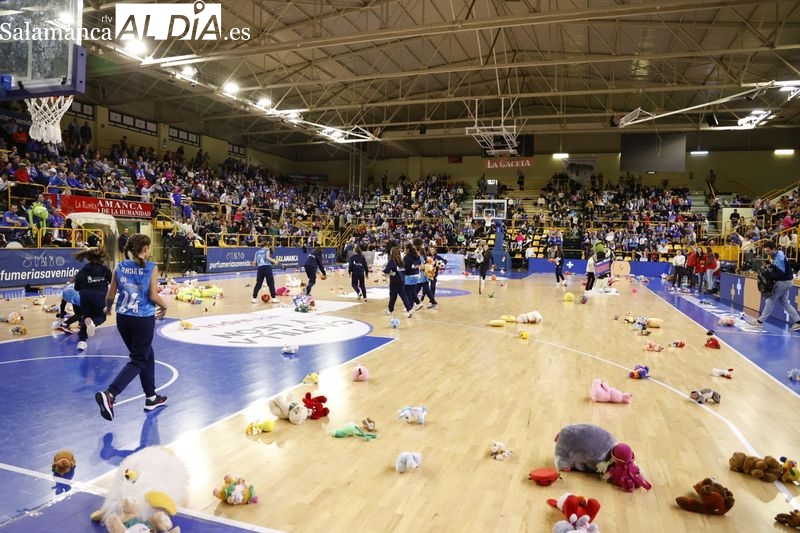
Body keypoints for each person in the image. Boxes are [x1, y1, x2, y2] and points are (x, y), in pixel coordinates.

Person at [95, 234, 169, 422]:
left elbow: (110, 295)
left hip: (123, 319)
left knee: (147, 355)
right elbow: (153, 296)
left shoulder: (120, 266)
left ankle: (151, 397)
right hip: (142, 319)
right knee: (138, 359)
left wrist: (108, 308)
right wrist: (165, 306)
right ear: (145, 249)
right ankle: (110, 393)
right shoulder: (151, 267)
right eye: (149, 247)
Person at [749, 241, 800, 332]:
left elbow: (780, 274)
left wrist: (767, 274)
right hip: (787, 281)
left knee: (770, 300)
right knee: (784, 302)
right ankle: (798, 322)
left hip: (783, 282)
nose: (767, 252)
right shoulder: (778, 253)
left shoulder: (779, 258)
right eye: (765, 251)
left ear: (774, 249)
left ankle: (759, 322)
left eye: (768, 251)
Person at [73, 248, 112, 351]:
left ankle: (82, 341)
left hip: (85, 296)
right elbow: (112, 281)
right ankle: (93, 322)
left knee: (86, 317)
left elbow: (76, 287)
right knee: (101, 317)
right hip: (100, 296)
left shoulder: (84, 270)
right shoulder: (104, 269)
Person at [383, 246, 410, 316]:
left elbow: (387, 270)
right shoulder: (401, 260)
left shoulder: (392, 260)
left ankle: (390, 310)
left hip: (395, 281)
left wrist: (384, 270)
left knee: (393, 296)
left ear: (392, 252)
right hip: (402, 280)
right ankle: (409, 309)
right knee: (404, 296)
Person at [251, 239, 279, 303]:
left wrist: (254, 263)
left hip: (260, 268)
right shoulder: (267, 250)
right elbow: (268, 257)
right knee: (270, 283)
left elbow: (254, 263)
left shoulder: (257, 252)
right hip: (267, 268)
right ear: (266, 246)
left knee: (258, 283)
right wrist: (274, 261)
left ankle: (254, 298)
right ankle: (274, 298)